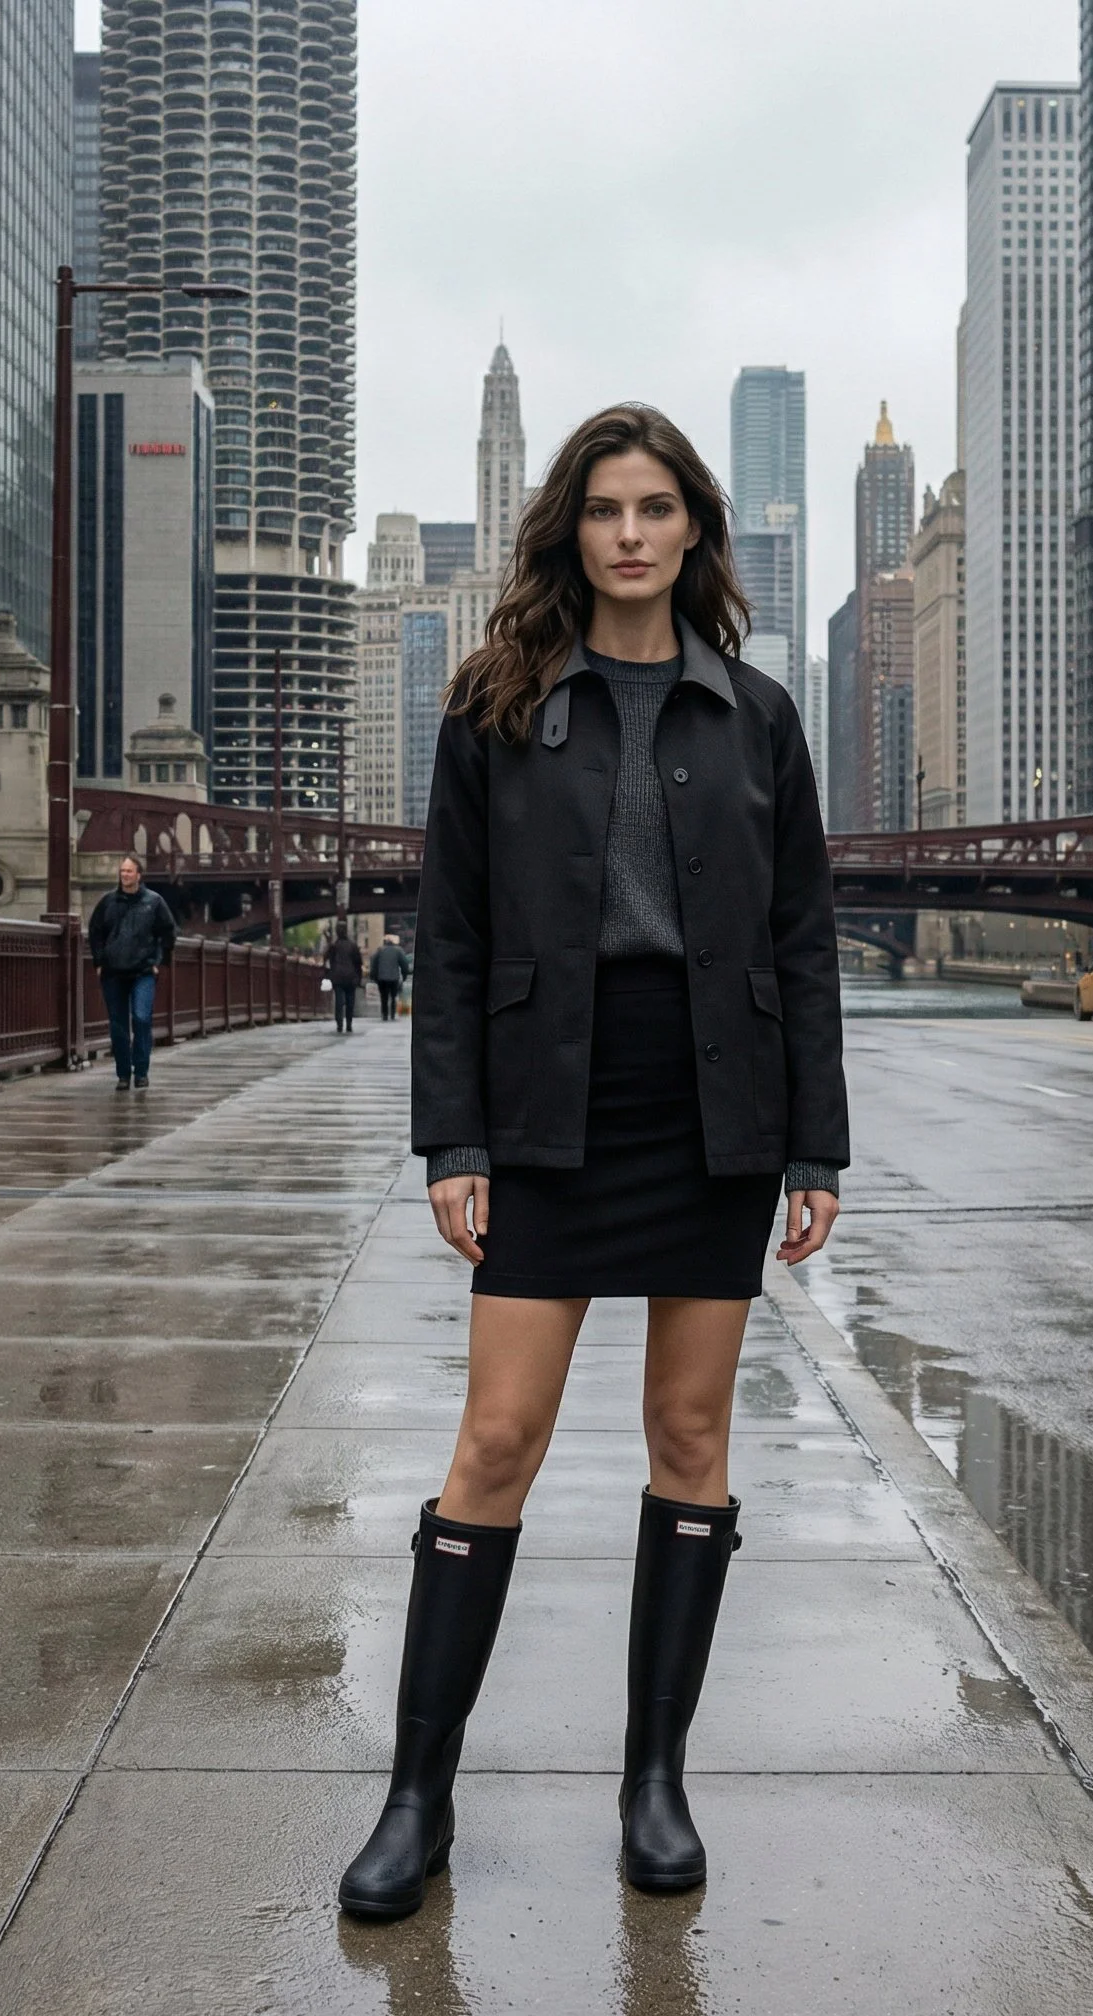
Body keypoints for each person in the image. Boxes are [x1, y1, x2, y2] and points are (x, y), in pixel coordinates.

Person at [338, 405, 847, 1922]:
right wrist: (456, 1139)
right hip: (547, 1106)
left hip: (710, 1111)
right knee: (496, 1443)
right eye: (605, 510)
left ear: (694, 529)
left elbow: (802, 939)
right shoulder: (497, 704)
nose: (630, 534)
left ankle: (656, 1785)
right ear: (570, 531)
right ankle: (417, 1801)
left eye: (656, 508)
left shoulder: (755, 714)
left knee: (690, 1439)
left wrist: (814, 1140)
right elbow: (456, 936)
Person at [87, 856, 176, 1091]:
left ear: (139, 875)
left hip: (143, 970)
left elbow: (168, 934)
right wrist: (99, 961)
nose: (124, 875)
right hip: (113, 971)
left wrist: (158, 962)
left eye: (129, 871)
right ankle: (123, 1074)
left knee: (141, 1018)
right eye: (122, 871)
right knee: (118, 1025)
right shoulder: (108, 902)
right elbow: (95, 932)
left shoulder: (154, 902)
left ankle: (142, 1072)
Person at [325, 923, 364, 1033]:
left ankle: (339, 1024)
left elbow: (328, 959)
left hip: (338, 977)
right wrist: (359, 978)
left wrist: (330, 973)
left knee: (339, 1001)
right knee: (350, 1002)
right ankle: (349, 1024)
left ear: (337, 932)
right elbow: (358, 963)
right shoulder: (353, 945)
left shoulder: (334, 946)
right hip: (351, 977)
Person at [371, 933, 409, 1021]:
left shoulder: (380, 950)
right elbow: (404, 963)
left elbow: (374, 962)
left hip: (382, 978)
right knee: (393, 996)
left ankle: (384, 1014)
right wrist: (404, 975)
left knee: (384, 997)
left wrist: (374, 975)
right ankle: (392, 1013)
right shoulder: (398, 951)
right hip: (393, 978)